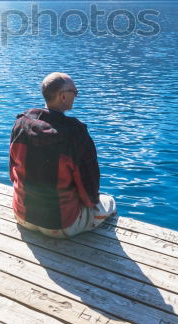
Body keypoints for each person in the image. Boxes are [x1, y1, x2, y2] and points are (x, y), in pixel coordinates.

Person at [9, 72, 117, 238]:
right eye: (74, 92)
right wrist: (92, 204)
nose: (76, 96)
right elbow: (89, 187)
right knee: (108, 202)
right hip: (61, 224)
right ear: (63, 96)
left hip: (23, 216)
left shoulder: (21, 124)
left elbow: (12, 172)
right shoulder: (75, 134)